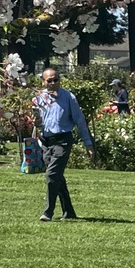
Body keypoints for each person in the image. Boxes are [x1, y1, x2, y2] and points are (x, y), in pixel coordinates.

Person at [33, 67, 95, 222]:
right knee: (57, 178)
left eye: (56, 79)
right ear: (43, 82)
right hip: (47, 142)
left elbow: (80, 122)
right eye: (50, 80)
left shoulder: (69, 98)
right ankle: (69, 211)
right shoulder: (40, 98)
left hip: (63, 141)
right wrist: (36, 123)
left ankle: (48, 212)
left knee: (51, 175)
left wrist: (88, 144)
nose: (53, 83)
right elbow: (40, 122)